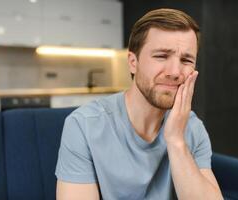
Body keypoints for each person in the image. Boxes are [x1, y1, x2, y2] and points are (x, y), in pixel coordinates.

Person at [55, 8, 223, 200]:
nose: (175, 72)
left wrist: (176, 141)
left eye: (186, 60)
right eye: (161, 56)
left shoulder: (192, 128)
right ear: (133, 62)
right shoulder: (83, 125)